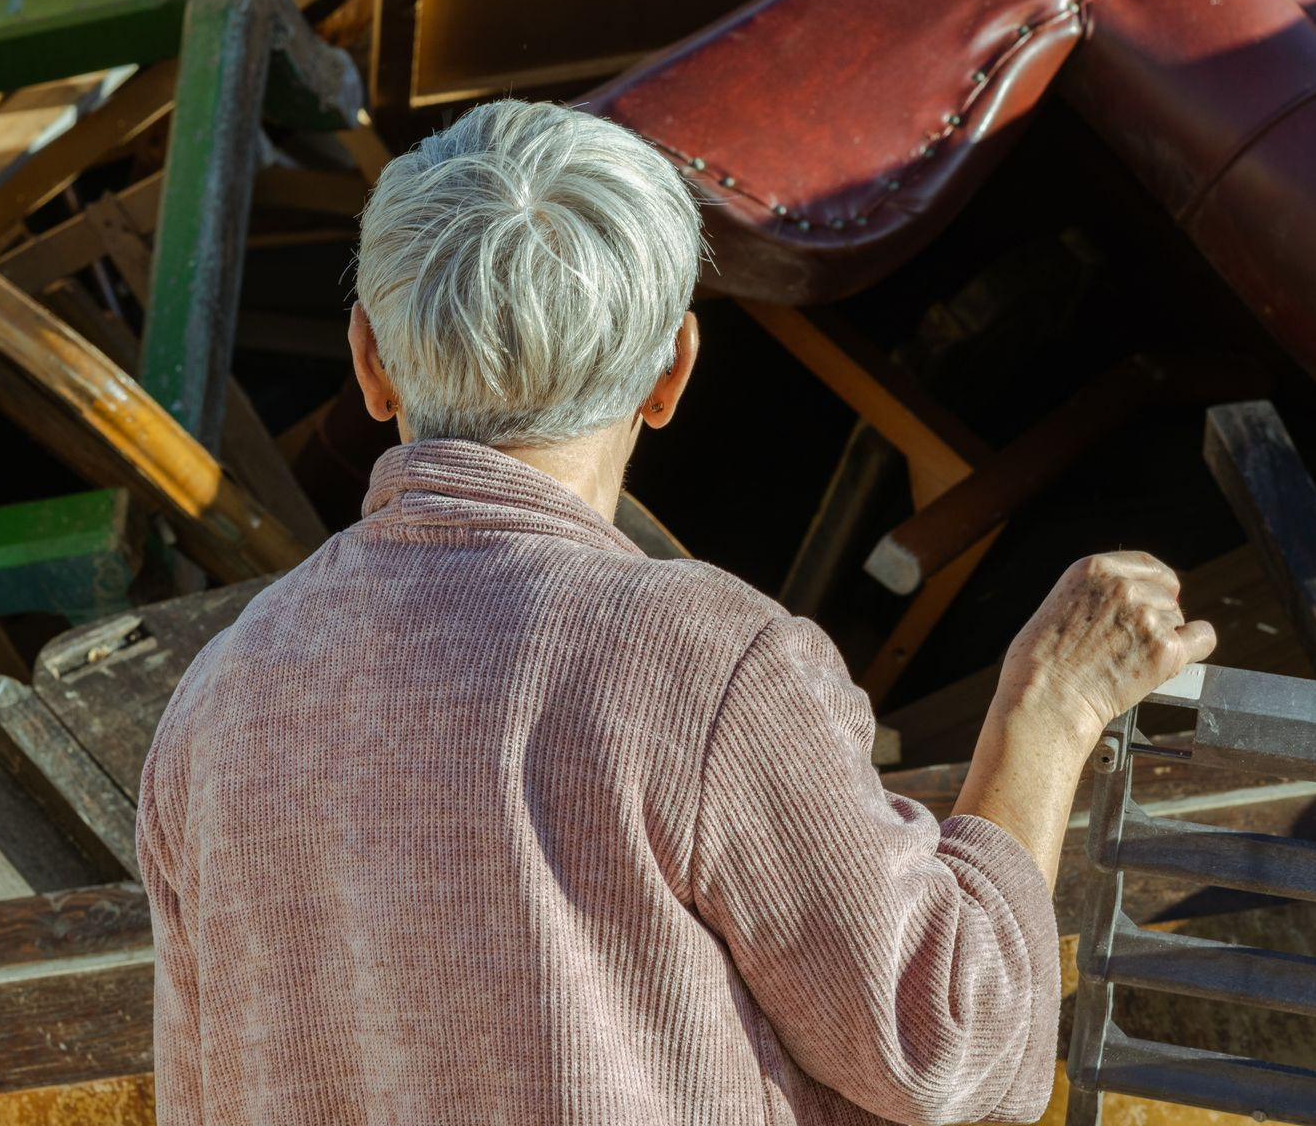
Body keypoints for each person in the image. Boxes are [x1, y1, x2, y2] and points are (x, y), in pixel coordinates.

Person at [136, 99, 1215, 1125]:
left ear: (369, 362)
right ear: (672, 374)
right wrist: (1051, 707)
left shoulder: (217, 700)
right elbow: (948, 1046)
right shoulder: (706, 663)